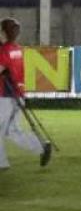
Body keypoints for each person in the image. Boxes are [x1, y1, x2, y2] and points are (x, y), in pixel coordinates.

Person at [0, 17, 50, 168]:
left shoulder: (4, 50)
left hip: (4, 95)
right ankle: (41, 146)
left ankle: (1, 163)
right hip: (17, 93)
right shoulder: (18, 49)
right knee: (12, 130)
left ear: (4, 32)